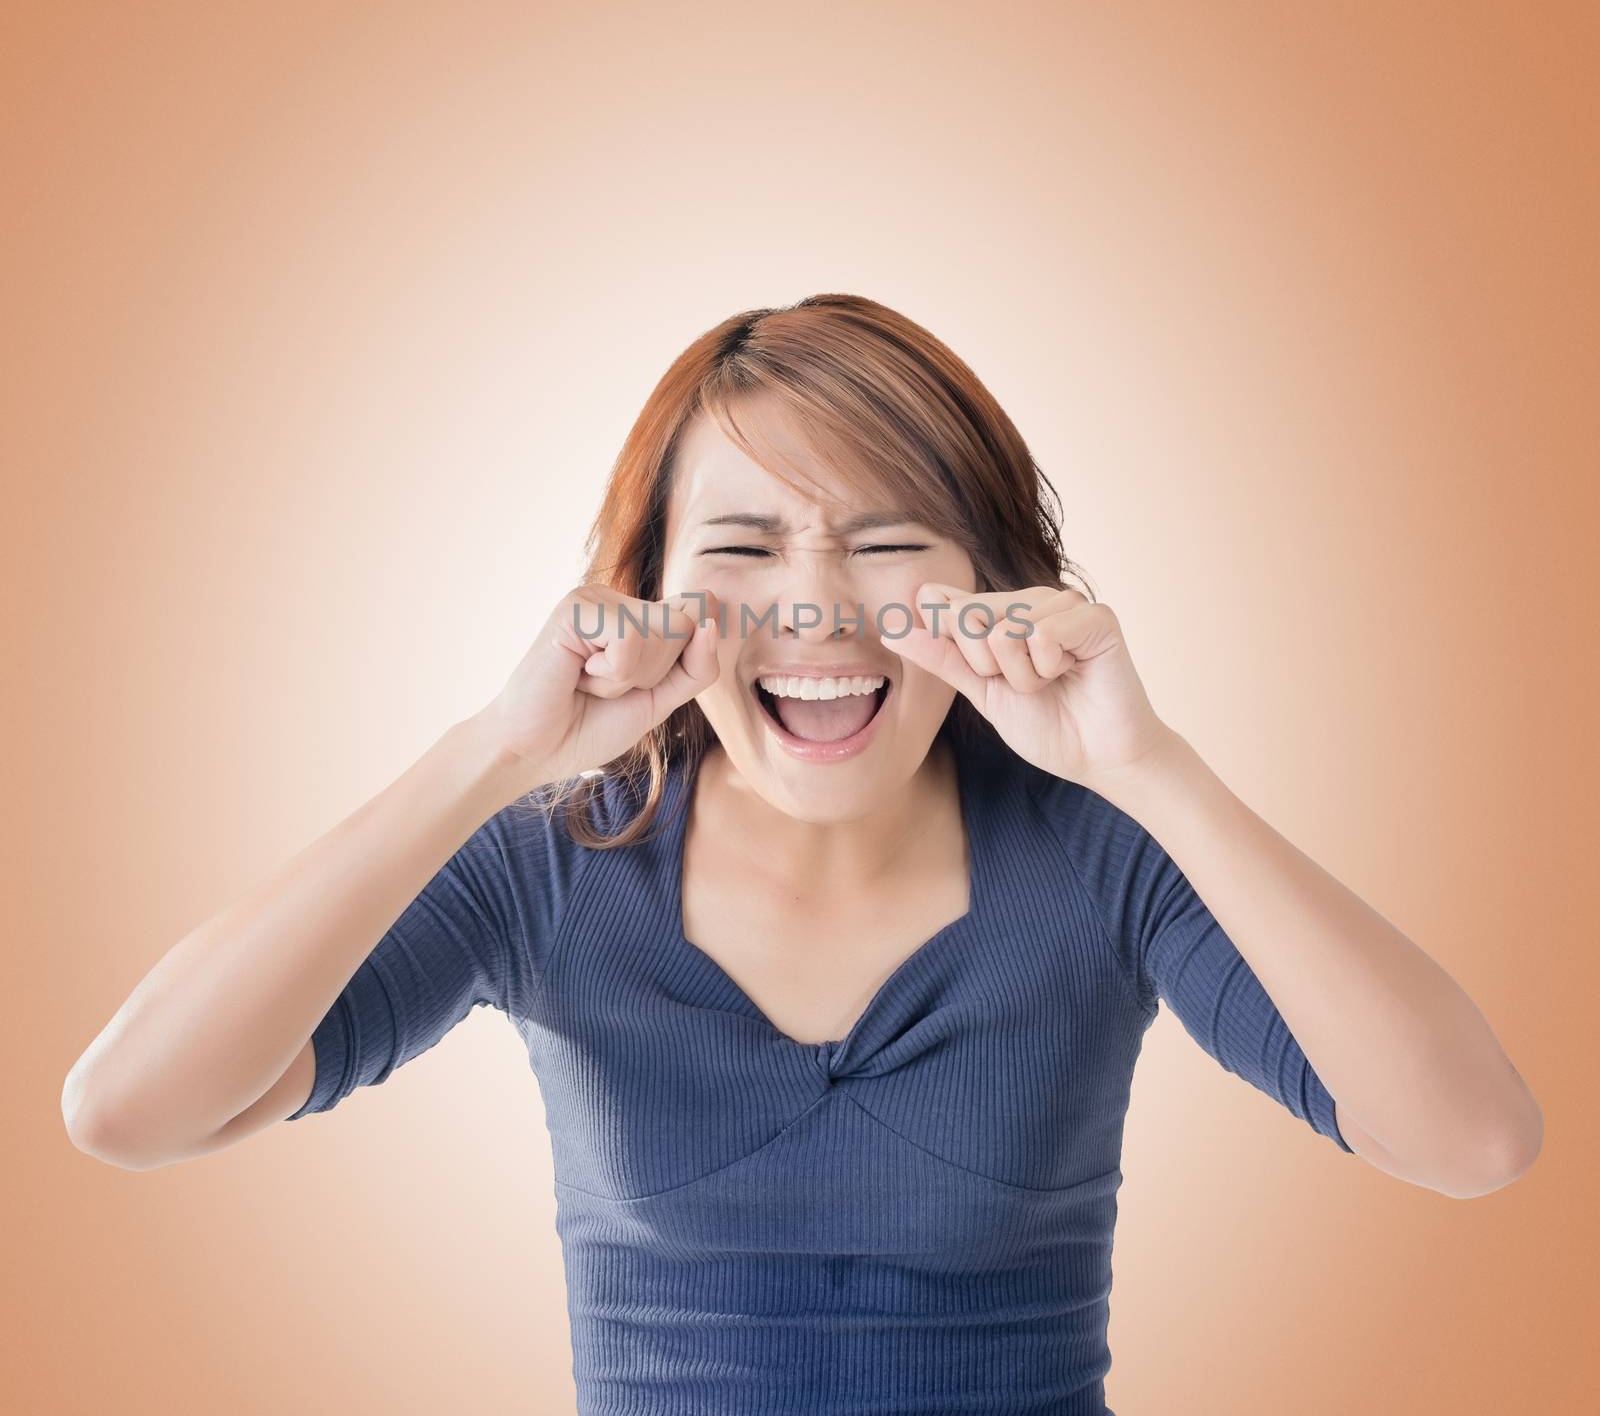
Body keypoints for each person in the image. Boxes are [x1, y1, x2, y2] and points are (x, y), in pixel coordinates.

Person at [63, 293, 1542, 1414]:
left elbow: (1474, 1143)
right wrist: (495, 756)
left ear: (994, 583)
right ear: (643, 592)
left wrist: (1152, 772)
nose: (819, 610)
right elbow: (130, 1109)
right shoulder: (556, 867)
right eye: (747, 545)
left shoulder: (1104, 860)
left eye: (890, 541)